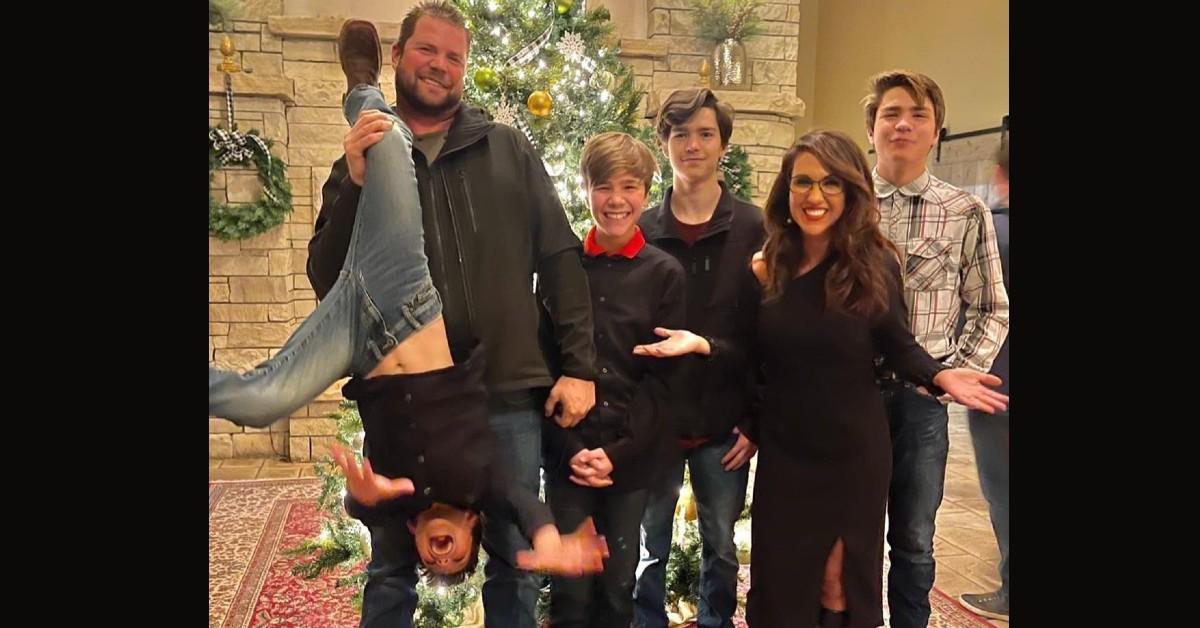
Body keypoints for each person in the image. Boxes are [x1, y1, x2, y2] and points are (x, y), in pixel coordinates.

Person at [306, 6, 598, 626]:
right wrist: (357, 180)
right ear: (398, 57)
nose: (439, 65)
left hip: (508, 388)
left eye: (453, 56)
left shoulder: (507, 147)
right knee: (390, 566)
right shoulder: (364, 154)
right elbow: (326, 278)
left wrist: (580, 365)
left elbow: (560, 254)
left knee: (514, 564)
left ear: (465, 68)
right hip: (411, 398)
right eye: (427, 50)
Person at [863, 69, 1009, 628]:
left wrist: (954, 375)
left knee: (916, 537)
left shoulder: (965, 213)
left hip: (923, 404)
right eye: (891, 113)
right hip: (851, 399)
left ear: (937, 131)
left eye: (918, 115)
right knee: (851, 530)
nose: (903, 124)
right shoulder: (845, 208)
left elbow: (991, 306)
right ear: (871, 127)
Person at [629, 88, 764, 628]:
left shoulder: (756, 228)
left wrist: (755, 420)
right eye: (679, 134)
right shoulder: (639, 229)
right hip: (655, 422)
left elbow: (767, 334)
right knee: (648, 548)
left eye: (705, 133)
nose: (692, 145)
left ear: (722, 144)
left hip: (726, 424)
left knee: (722, 547)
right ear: (663, 144)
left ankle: (716, 622)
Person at [958, 143, 1010, 622]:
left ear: (999, 174)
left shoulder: (990, 231)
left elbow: (969, 308)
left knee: (1005, 489)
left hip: (996, 383)